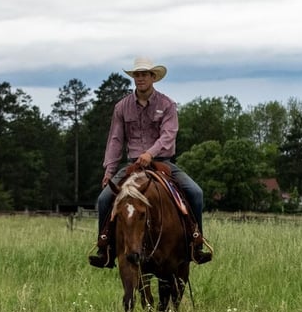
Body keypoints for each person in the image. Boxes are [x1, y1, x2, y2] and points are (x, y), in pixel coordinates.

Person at [88, 56, 212, 268]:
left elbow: (168, 135)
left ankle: (195, 241)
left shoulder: (167, 105)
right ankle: (104, 247)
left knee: (195, 193)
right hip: (133, 164)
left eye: (145, 74)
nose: (141, 78)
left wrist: (150, 153)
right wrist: (109, 171)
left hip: (162, 161)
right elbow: (115, 140)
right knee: (103, 199)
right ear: (134, 78)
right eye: (137, 74)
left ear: (153, 77)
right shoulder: (122, 107)